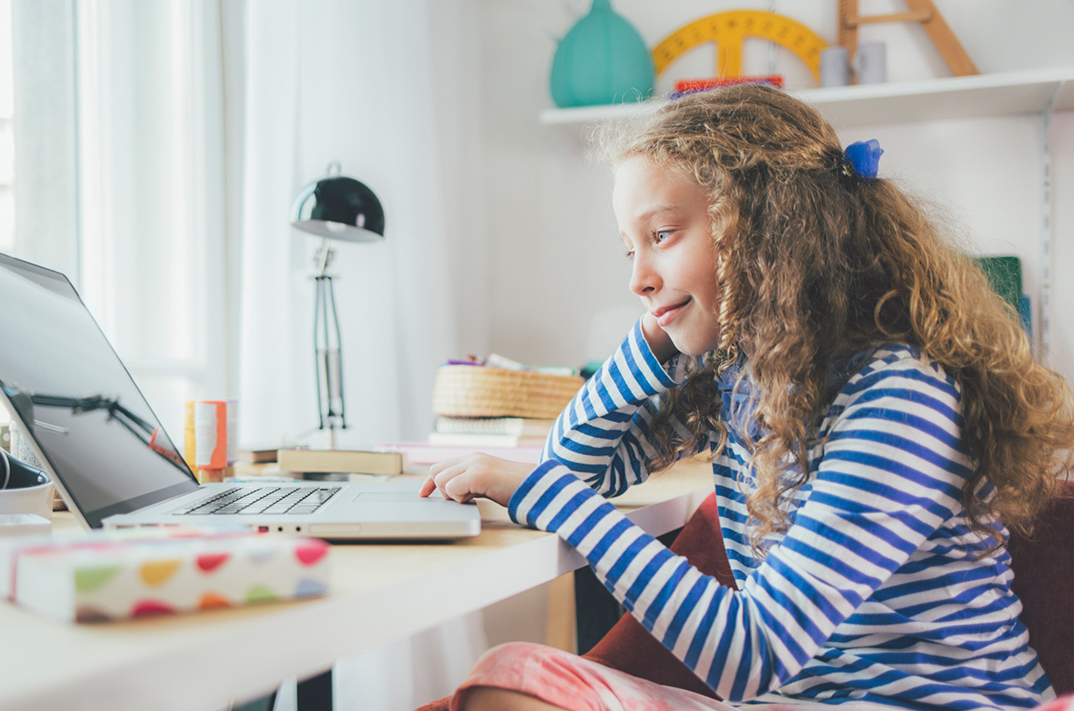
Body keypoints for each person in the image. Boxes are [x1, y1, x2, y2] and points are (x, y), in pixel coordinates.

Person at [418, 84, 1074, 711]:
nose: (638, 278)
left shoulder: (902, 393)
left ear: (761, 225)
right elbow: (571, 467)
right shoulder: (739, 376)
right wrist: (651, 342)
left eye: (663, 235)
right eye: (629, 249)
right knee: (505, 677)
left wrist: (550, 499)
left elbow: (753, 650)